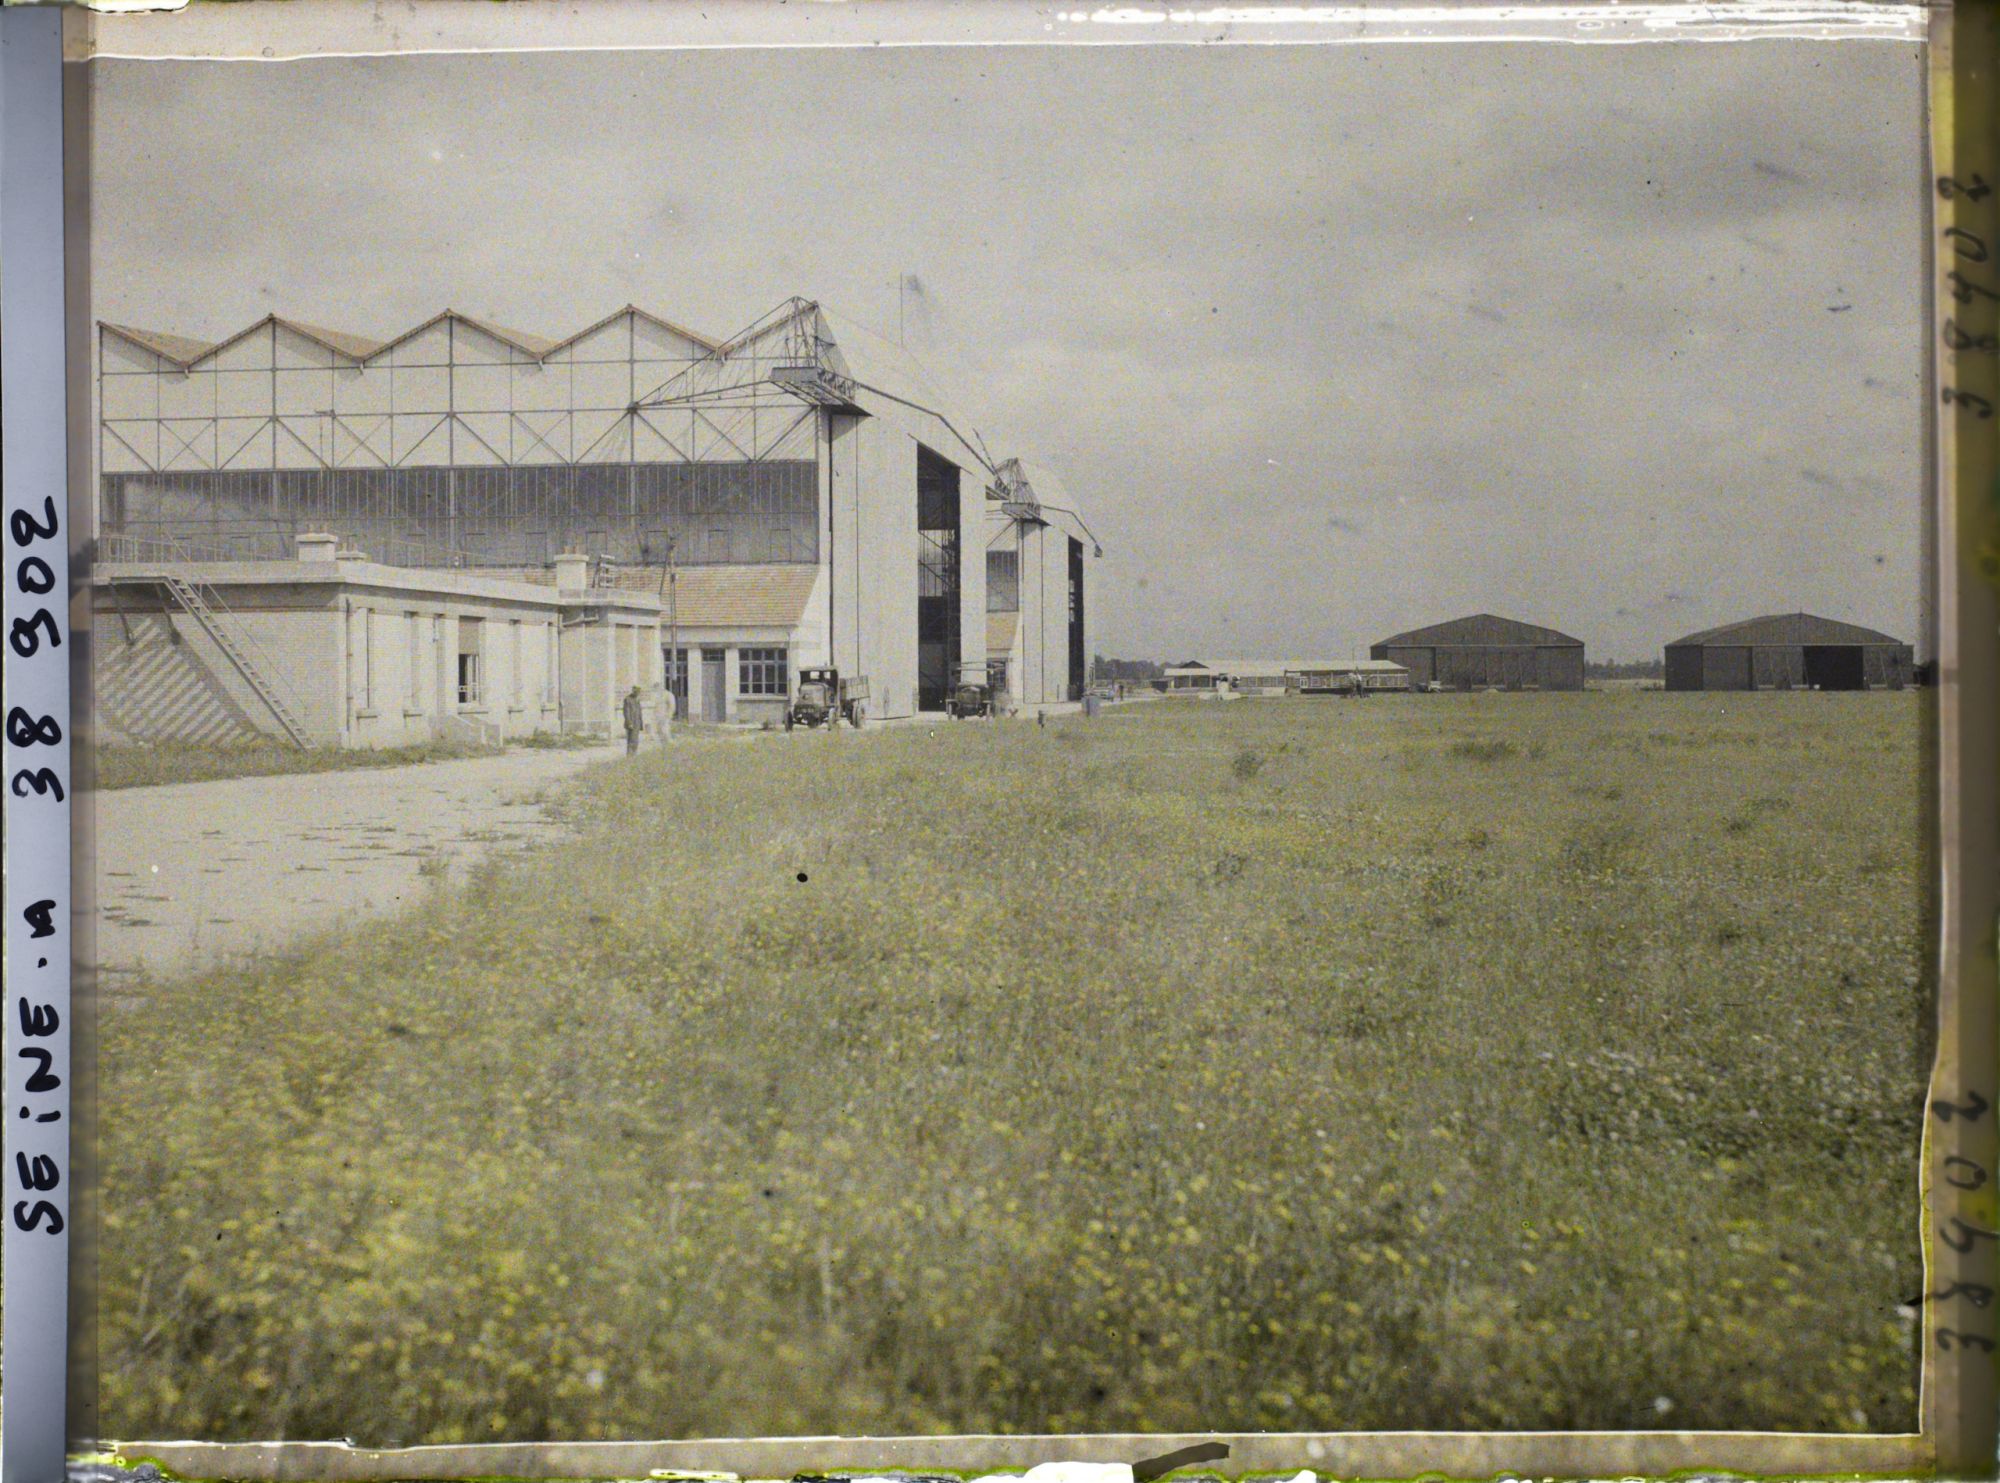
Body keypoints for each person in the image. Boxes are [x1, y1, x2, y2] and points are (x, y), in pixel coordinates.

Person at [622, 684, 645, 756]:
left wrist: (641, 723)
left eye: (639, 691)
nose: (638, 692)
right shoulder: (627, 699)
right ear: (633, 690)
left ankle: (634, 755)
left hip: (637, 723)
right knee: (631, 741)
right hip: (631, 723)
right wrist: (629, 723)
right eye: (637, 691)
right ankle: (629, 756)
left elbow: (639, 712)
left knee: (636, 741)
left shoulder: (637, 699)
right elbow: (626, 712)